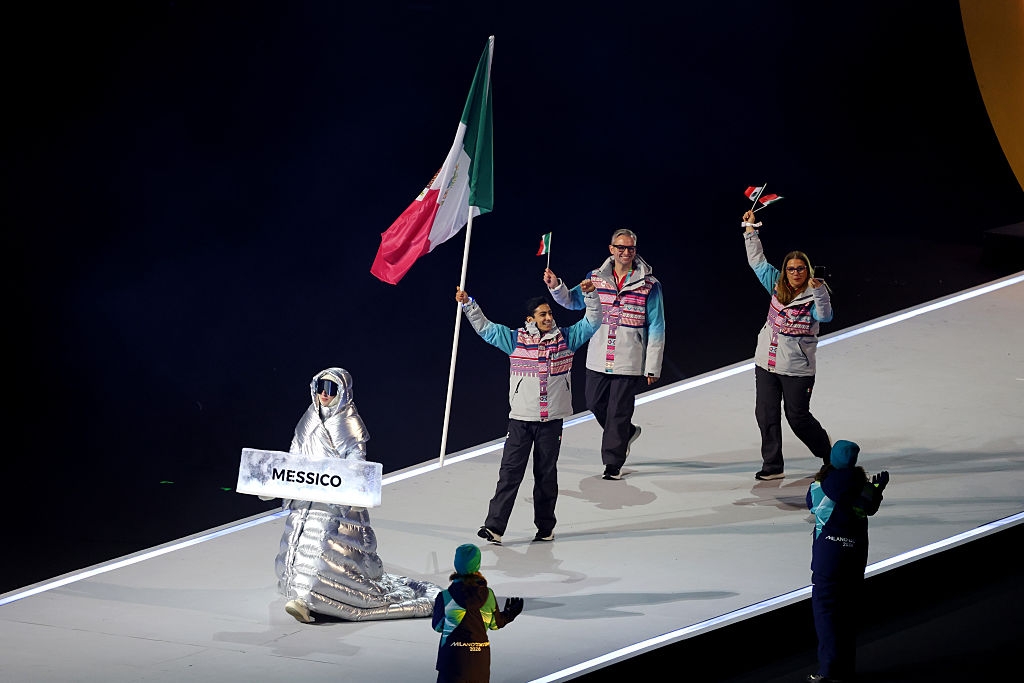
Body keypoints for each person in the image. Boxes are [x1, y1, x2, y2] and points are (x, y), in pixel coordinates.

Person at [274, 367, 440, 623]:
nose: (324, 395)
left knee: (322, 546)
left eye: (330, 389)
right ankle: (299, 594)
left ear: (342, 392)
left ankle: (305, 599)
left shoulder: (349, 421)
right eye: (320, 388)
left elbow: (357, 461)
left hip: (335, 500)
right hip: (307, 497)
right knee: (298, 543)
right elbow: (296, 450)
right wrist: (283, 480)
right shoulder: (309, 417)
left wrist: (340, 486)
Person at [456, 283, 602, 544]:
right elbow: (486, 329)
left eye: (550, 313)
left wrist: (591, 295)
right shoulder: (515, 340)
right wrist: (469, 304)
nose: (548, 318)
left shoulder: (567, 338)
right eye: (542, 314)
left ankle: (545, 528)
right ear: (530, 319)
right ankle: (494, 528)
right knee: (509, 473)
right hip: (521, 420)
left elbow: (593, 321)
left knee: (546, 475)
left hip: (551, 422)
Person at [543, 228, 665, 480]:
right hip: (598, 356)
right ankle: (626, 433)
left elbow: (657, 325)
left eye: (630, 248)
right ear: (611, 249)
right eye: (620, 247)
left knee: (618, 411)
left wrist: (652, 366)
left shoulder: (650, 284)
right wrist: (556, 286)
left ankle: (613, 463)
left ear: (635, 251)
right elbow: (573, 301)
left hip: (629, 359)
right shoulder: (595, 278)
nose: (625, 252)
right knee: (594, 403)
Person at [743, 209, 833, 480]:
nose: (795, 273)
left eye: (800, 269)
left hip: (796, 369)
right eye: (791, 269)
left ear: (808, 270)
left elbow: (825, 316)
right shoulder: (775, 283)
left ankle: (829, 456)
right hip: (766, 363)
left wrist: (819, 290)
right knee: (766, 415)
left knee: (798, 418)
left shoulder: (816, 293)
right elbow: (757, 260)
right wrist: (750, 230)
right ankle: (772, 466)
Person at [805, 440, 890, 683]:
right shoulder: (864, 489)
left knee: (826, 616)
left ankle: (828, 670)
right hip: (854, 559)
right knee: (847, 615)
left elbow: (811, 505)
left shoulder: (818, 487)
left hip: (827, 561)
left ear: (832, 458)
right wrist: (877, 489)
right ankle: (846, 669)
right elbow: (870, 507)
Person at [432, 543, 524, 683]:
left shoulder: (444, 596)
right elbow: (495, 624)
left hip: (451, 661)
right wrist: (509, 614)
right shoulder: (488, 595)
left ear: (456, 564)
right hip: (479, 662)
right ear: (477, 564)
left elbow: (437, 626)